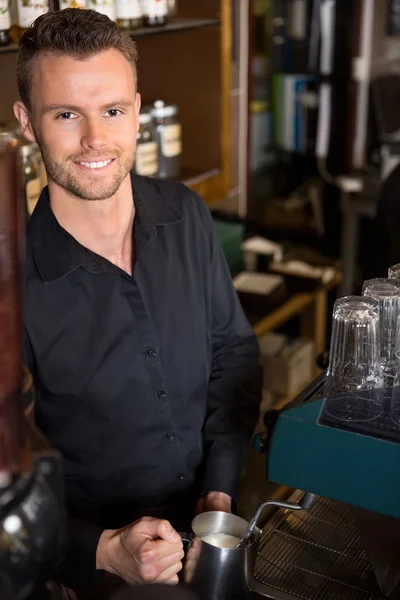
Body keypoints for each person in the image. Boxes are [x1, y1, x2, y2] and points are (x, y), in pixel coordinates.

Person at [14, 8, 261, 598]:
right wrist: (101, 550)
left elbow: (234, 357)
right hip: (95, 572)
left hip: (211, 533)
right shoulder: (10, 284)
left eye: (114, 111)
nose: (96, 140)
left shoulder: (188, 215)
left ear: (138, 109)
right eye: (67, 114)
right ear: (27, 122)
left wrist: (218, 494)